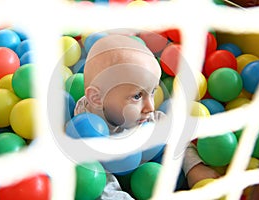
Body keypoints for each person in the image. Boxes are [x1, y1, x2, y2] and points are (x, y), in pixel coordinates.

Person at [74, 34, 219, 199]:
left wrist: (194, 167)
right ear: (96, 99)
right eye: (137, 96)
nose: (150, 107)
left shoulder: (146, 117)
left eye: (153, 92)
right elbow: (97, 182)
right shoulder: (87, 132)